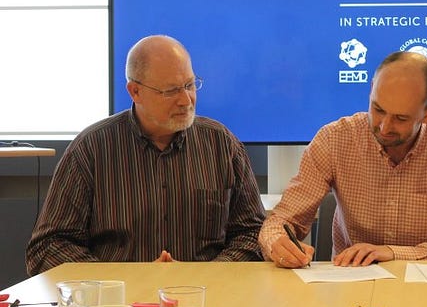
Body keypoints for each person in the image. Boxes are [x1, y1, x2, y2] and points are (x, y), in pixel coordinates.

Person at [26, 35, 266, 275]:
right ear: (135, 91)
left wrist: (206, 273)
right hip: (118, 303)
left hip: (207, 295)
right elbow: (47, 247)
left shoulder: (220, 144)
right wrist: (126, 278)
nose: (186, 100)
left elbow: (252, 233)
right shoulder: (91, 149)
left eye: (190, 85)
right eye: (171, 91)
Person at [258, 51, 427, 268]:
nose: (384, 126)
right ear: (372, 88)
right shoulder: (335, 139)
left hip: (426, 286)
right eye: (378, 109)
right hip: (351, 280)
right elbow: (282, 220)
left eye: (401, 118)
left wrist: (391, 253)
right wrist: (277, 242)